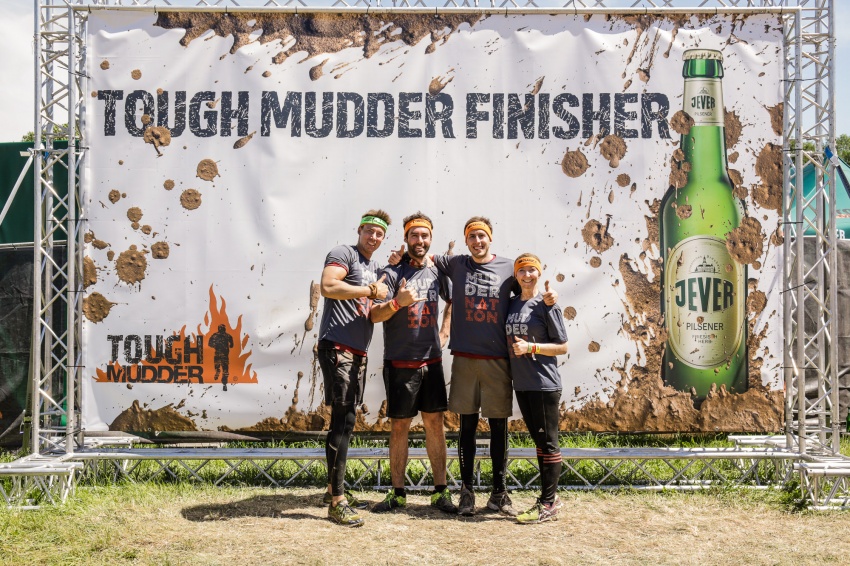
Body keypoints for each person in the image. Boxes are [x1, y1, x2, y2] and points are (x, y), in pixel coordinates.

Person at [389, 216, 557, 517]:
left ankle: (499, 494)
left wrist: (549, 298)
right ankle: (466, 492)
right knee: (466, 427)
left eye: (482, 236)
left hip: (498, 361)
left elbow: (527, 291)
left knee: (498, 428)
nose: (477, 241)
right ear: (466, 241)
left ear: (490, 238)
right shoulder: (456, 263)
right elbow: (422, 254)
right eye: (472, 237)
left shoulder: (509, 268)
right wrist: (399, 257)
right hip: (465, 359)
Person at [369, 212, 457, 514]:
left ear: (430, 239)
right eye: (414, 235)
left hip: (431, 361)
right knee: (399, 426)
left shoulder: (437, 269)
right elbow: (374, 314)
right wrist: (397, 303)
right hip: (399, 362)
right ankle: (397, 494)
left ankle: (440, 492)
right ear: (405, 238)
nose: (419, 240)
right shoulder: (392, 271)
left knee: (435, 424)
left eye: (424, 235)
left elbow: (452, 300)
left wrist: (445, 331)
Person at [317, 210, 391, 527]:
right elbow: (328, 286)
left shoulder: (374, 268)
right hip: (337, 347)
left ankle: (333, 490)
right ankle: (337, 502)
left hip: (357, 351)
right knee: (342, 420)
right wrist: (369, 291)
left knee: (346, 422)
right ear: (359, 230)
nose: (373, 237)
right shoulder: (344, 253)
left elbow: (372, 314)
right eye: (369, 231)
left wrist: (395, 302)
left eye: (379, 233)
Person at [506, 253, 568, 524]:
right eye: (522, 270)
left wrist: (531, 347)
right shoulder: (510, 304)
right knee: (540, 444)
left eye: (532, 270)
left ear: (539, 274)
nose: (527, 275)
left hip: (544, 384)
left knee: (549, 443)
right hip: (522, 384)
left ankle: (548, 503)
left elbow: (563, 347)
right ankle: (548, 499)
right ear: (516, 275)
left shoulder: (547, 305)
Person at [208, 324, 234, 391]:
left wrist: (215, 345)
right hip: (224, 355)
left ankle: (218, 372)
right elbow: (232, 345)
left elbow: (209, 344)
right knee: (225, 369)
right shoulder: (228, 336)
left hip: (218, 354)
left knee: (217, 366)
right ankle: (224, 383)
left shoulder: (215, 335)